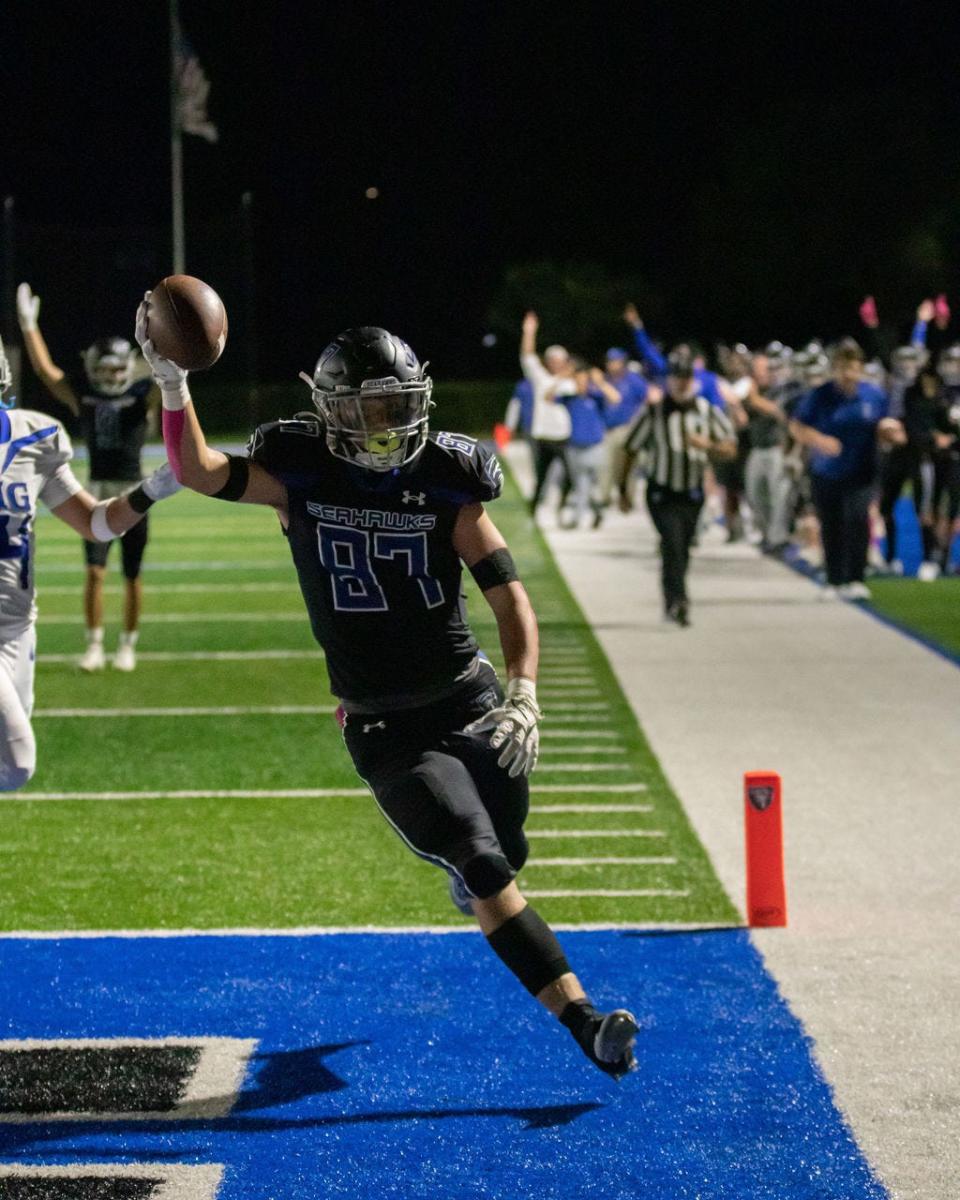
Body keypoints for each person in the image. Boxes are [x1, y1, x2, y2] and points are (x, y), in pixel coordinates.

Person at [135, 299, 638, 1079]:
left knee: (504, 847)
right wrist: (172, 383)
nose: (384, 422)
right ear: (334, 409)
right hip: (386, 726)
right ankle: (584, 1020)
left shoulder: (444, 476)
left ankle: (477, 877)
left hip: (468, 697)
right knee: (483, 864)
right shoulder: (299, 470)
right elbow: (199, 468)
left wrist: (525, 691)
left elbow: (508, 595)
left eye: (398, 406)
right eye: (370, 406)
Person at [0, 336, 178, 790]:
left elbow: (96, 523)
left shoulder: (33, 439)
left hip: (19, 629)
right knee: (17, 764)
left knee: (11, 771)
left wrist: (150, 490)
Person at [17, 282, 160, 672]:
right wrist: (29, 327)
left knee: (132, 576)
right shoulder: (83, 395)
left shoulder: (143, 393)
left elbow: (173, 381)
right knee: (95, 574)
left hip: (133, 492)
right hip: (96, 495)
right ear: (91, 368)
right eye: (104, 368)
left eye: (116, 367)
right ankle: (95, 645)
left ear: (129, 365)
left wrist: (167, 340)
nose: (111, 375)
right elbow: (47, 373)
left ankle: (127, 645)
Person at [618, 347, 737, 626]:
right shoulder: (654, 412)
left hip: (693, 491)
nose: (681, 382)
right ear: (668, 379)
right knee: (672, 544)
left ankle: (672, 599)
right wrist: (624, 488)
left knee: (681, 547)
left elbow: (730, 448)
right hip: (661, 490)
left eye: (685, 376)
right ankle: (679, 601)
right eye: (676, 376)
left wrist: (707, 445)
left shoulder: (706, 410)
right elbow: (630, 449)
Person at [789, 338, 905, 599]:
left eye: (852, 367)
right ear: (834, 369)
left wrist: (891, 433)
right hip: (826, 470)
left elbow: (888, 426)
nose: (848, 373)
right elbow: (796, 426)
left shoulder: (873, 395)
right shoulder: (821, 395)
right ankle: (834, 579)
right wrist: (820, 440)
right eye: (842, 367)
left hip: (862, 470)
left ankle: (855, 577)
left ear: (860, 368)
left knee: (857, 519)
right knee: (831, 524)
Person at [518, 312, 573, 514]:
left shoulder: (571, 381)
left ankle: (563, 504)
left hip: (563, 437)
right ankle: (533, 509)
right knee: (541, 477)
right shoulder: (541, 377)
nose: (556, 363)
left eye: (560, 360)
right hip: (542, 436)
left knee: (570, 475)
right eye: (553, 359)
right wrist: (529, 331)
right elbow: (527, 356)